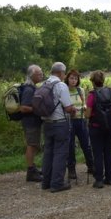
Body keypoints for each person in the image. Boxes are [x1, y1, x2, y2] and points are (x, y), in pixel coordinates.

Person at [41, 62, 76, 193]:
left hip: (47, 123)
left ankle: (46, 182)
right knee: (60, 153)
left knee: (48, 153)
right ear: (61, 73)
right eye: (64, 73)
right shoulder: (61, 85)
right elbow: (67, 107)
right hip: (60, 122)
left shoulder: (45, 84)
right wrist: (73, 109)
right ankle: (57, 183)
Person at [85, 70, 111, 188]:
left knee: (97, 153)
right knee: (108, 151)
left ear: (92, 81)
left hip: (96, 127)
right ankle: (110, 178)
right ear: (103, 80)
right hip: (110, 126)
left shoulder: (92, 95)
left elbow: (88, 115)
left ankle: (99, 180)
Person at [64, 69, 93, 180]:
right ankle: (71, 170)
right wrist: (70, 109)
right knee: (70, 146)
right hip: (69, 121)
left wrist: (84, 107)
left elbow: (84, 103)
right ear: (67, 79)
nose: (73, 80)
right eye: (71, 78)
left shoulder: (80, 90)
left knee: (86, 144)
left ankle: (91, 166)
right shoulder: (64, 90)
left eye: (76, 78)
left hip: (81, 120)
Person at [18, 64, 44, 182]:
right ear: (32, 75)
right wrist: (37, 109)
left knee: (33, 145)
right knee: (31, 145)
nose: (41, 75)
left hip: (33, 122)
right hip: (30, 122)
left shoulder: (32, 87)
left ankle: (33, 168)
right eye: (39, 73)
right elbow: (23, 108)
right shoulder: (29, 89)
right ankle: (30, 171)